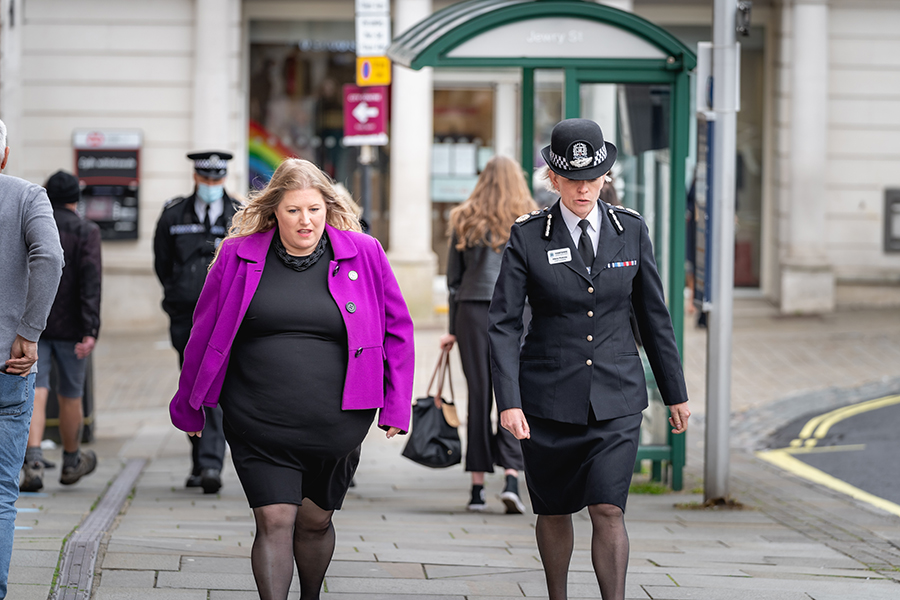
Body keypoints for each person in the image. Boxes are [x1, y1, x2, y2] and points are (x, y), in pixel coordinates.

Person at [168, 158, 414, 600]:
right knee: (275, 519)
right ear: (274, 211)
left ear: (328, 207)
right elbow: (202, 332)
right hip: (258, 417)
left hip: (338, 422)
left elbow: (398, 331)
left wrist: (396, 405)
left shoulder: (365, 252)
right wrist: (189, 402)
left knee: (315, 520)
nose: (306, 221)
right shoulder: (236, 255)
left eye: (314, 210)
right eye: (294, 210)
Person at [488, 118, 691, 600]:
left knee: (608, 508)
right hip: (546, 400)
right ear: (553, 179)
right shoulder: (528, 236)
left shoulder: (632, 231)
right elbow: (503, 324)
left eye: (593, 177)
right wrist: (508, 401)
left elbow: (655, 318)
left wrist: (674, 393)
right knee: (554, 509)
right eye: (572, 180)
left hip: (617, 398)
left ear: (606, 176)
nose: (584, 189)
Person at [438, 155, 537, 513]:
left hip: (473, 312)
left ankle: (477, 488)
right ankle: (512, 477)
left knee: (478, 396)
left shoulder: (464, 217)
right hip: (516, 312)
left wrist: (452, 330)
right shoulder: (529, 216)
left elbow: (453, 281)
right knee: (512, 392)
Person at [0, 119, 64, 599]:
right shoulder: (26, 196)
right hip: (9, 361)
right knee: (2, 492)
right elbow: (51, 256)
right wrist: (28, 331)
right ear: (4, 155)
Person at [154, 151, 238, 494]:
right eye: (206, 179)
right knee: (191, 385)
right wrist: (176, 295)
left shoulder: (240, 215)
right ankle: (200, 462)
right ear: (196, 178)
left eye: (217, 179)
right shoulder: (174, 213)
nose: (211, 185)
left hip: (225, 316)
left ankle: (210, 463)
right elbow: (162, 262)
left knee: (214, 383)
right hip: (185, 315)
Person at [20, 171, 102, 492]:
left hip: (33, 324)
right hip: (72, 328)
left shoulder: (35, 224)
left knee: (36, 391)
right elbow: (91, 281)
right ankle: (71, 460)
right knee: (71, 394)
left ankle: (34, 463)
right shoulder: (86, 231)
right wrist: (91, 327)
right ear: (76, 199)